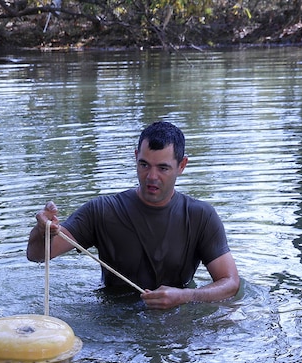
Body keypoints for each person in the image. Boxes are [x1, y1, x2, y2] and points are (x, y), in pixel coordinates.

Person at [27, 121, 239, 310]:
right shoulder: (102, 211)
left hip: (177, 322)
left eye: (163, 168)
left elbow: (230, 282)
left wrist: (186, 296)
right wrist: (41, 230)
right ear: (136, 156)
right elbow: (37, 255)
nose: (151, 176)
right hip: (113, 323)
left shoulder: (200, 216)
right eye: (144, 165)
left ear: (181, 166)